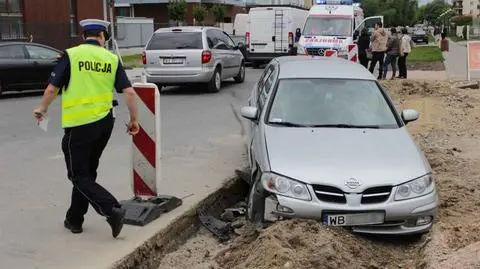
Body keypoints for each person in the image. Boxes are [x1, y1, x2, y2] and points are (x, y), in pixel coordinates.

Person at [32, 19, 140, 238]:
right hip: (104, 124)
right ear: (102, 37)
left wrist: (42, 109)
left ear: (83, 36)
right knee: (87, 173)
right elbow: (129, 92)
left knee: (78, 175)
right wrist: (134, 120)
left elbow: (53, 89)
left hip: (80, 125)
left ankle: (112, 209)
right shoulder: (111, 58)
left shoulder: (71, 55)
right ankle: (74, 219)